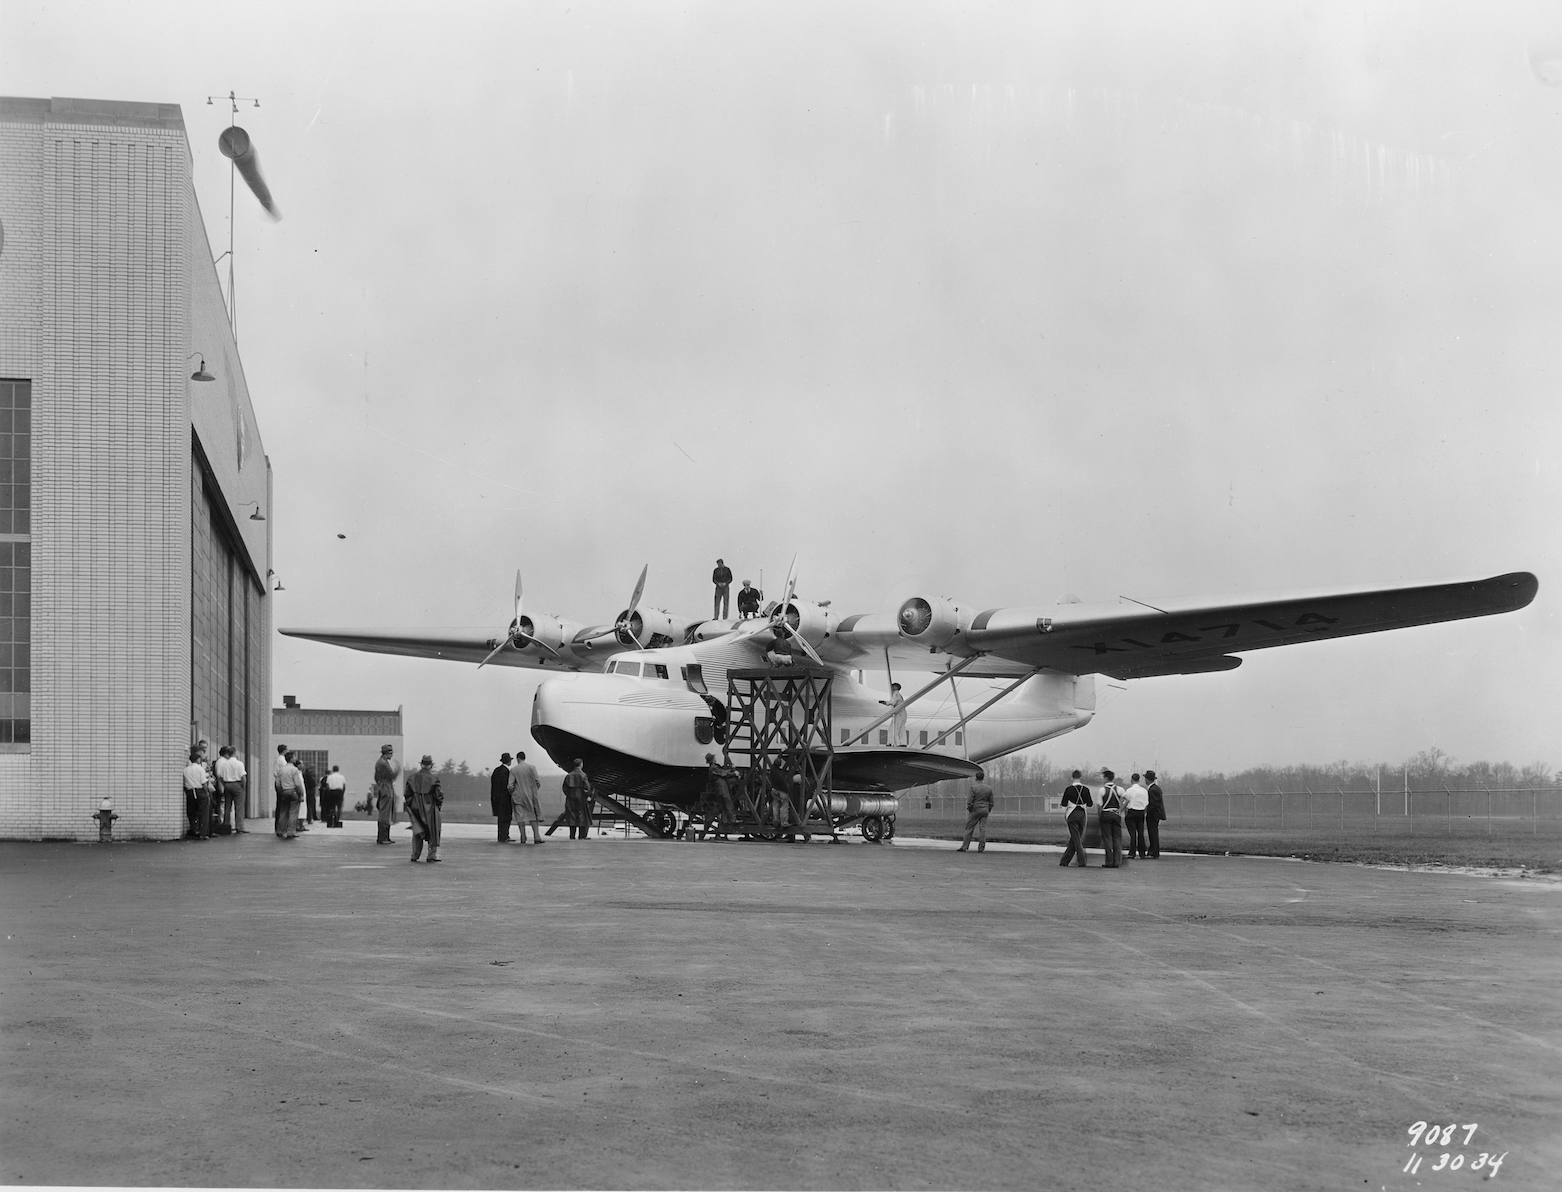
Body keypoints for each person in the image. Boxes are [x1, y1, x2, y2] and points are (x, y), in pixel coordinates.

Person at [404, 754, 443, 862]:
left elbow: (407, 794)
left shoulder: (412, 778)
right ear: (431, 765)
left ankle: (415, 854)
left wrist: (411, 804)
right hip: (430, 807)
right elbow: (439, 795)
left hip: (415, 806)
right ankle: (431, 854)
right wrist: (438, 806)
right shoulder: (434, 779)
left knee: (417, 831)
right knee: (433, 830)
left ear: (421, 764)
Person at [1059, 769, 1092, 867]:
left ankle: (1082, 860)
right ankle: (1064, 861)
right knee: (1076, 838)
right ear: (1080, 777)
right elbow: (1090, 804)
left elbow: (1064, 803)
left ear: (1072, 778)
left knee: (1075, 839)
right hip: (1082, 814)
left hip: (1072, 814)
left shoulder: (1069, 789)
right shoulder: (1086, 789)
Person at [509, 750, 544, 843]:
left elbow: (510, 786)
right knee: (533, 816)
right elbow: (538, 782)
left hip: (518, 797)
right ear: (524, 758)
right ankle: (537, 837)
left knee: (520, 818)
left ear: (517, 759)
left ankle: (523, 837)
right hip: (531, 796)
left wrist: (513, 792)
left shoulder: (513, 770)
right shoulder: (532, 768)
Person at [956, 768, 995, 852]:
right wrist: (988, 809)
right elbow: (991, 802)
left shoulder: (973, 788)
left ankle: (964, 846)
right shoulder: (989, 788)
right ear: (983, 778)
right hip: (985, 810)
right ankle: (981, 847)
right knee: (982, 829)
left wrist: (970, 809)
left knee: (969, 828)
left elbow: (970, 800)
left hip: (975, 809)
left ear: (975, 778)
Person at [372, 744, 401, 845]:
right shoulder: (383, 763)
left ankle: (385, 837)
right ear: (387, 754)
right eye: (391, 753)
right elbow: (391, 775)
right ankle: (383, 837)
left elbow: (376, 777)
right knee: (385, 813)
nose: (392, 755)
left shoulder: (380, 762)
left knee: (385, 812)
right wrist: (398, 769)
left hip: (383, 787)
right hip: (386, 788)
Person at [215, 745, 247, 834]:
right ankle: (239, 827)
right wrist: (243, 787)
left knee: (227, 806)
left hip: (227, 785)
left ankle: (226, 825)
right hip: (237, 784)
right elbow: (243, 777)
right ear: (235, 753)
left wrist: (224, 783)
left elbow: (220, 776)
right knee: (239, 807)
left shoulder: (224, 764)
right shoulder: (239, 763)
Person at [183, 746, 212, 840]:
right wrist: (207, 792)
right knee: (203, 813)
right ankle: (203, 833)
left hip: (190, 791)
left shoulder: (185, 770)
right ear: (198, 759)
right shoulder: (200, 769)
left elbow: (184, 782)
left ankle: (194, 830)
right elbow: (203, 782)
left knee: (192, 812)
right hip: (200, 791)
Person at [1098, 768, 1126, 868]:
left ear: (1106, 778)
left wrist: (1100, 817)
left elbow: (1100, 806)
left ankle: (1109, 861)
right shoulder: (1119, 789)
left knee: (1108, 839)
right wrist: (1121, 810)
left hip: (1106, 814)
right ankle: (1117, 861)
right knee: (1117, 838)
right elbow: (1127, 799)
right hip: (1116, 814)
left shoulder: (1102, 790)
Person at [562, 758, 594, 839]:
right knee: (582, 816)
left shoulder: (569, 775)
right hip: (581, 798)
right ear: (581, 764)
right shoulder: (583, 775)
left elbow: (564, 788)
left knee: (572, 815)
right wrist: (586, 795)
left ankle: (572, 835)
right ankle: (581, 836)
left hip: (571, 797)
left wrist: (569, 795)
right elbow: (587, 787)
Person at [275, 751, 304, 839]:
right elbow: (298, 784)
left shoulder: (281, 770)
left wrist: (281, 792)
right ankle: (291, 832)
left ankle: (280, 830)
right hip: (293, 792)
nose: (295, 759)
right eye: (294, 757)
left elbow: (278, 784)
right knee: (293, 813)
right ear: (291, 759)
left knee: (283, 812)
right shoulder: (294, 770)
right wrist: (301, 794)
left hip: (285, 792)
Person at [1124, 772, 1150, 859]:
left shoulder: (1129, 790)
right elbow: (1146, 803)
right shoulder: (1144, 791)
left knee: (1132, 834)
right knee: (1141, 833)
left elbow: (1126, 802)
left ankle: (1132, 852)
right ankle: (1142, 852)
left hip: (1132, 812)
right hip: (1141, 812)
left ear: (1132, 780)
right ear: (1139, 780)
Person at [491, 753, 514, 842]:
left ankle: (501, 835)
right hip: (504, 798)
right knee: (506, 817)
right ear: (509, 761)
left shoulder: (496, 770)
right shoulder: (506, 772)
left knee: (501, 818)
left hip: (496, 798)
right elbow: (505, 785)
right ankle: (504, 836)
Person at [1145, 769, 1167, 859]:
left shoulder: (1153, 789)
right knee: (1153, 832)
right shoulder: (1155, 788)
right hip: (1156, 814)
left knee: (1152, 832)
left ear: (1147, 779)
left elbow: (1154, 803)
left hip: (1153, 814)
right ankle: (1152, 850)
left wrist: (1147, 811)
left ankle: (1154, 851)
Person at [272, 743, 289, 835]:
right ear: (284, 750)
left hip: (278, 782)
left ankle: (278, 825)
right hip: (282, 783)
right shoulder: (282, 760)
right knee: (283, 805)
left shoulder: (277, 759)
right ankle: (281, 826)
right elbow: (285, 772)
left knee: (280, 805)